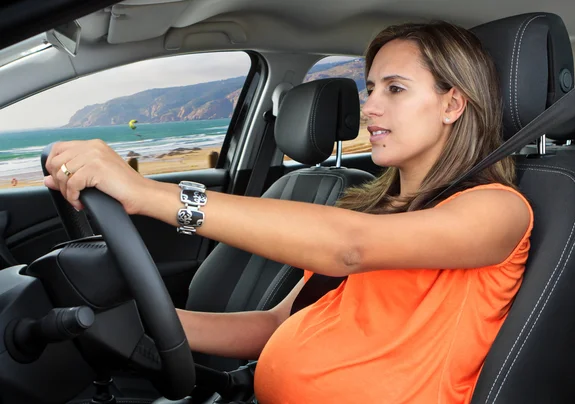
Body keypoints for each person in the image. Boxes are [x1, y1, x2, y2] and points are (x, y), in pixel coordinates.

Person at [43, 21, 533, 404]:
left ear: (452, 104)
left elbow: (350, 247)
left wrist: (148, 194)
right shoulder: (374, 211)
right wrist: (153, 321)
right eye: (371, 88)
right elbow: (277, 323)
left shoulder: (496, 208)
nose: (370, 108)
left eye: (395, 89)